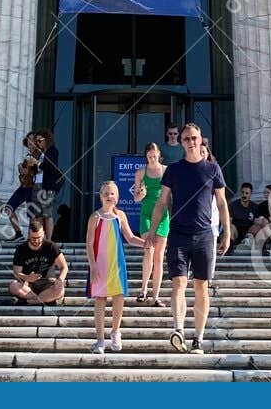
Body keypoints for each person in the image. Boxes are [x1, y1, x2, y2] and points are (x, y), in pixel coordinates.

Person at [148, 122, 230, 353]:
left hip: (205, 235)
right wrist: (152, 232)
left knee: (201, 286)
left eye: (194, 138)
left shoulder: (213, 169)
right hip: (178, 234)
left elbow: (222, 203)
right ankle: (179, 330)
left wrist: (227, 232)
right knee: (178, 283)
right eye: (186, 139)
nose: (191, 142)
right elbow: (162, 202)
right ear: (181, 143)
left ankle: (198, 339)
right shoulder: (173, 170)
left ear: (200, 139)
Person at [86, 181, 143, 353]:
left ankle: (116, 332)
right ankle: (100, 340)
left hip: (117, 263)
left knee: (119, 296)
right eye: (106, 193)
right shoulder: (95, 217)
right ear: (100, 196)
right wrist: (93, 266)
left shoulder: (121, 215)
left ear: (117, 197)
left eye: (112, 194)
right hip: (100, 264)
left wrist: (146, 243)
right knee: (100, 300)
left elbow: (130, 237)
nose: (109, 196)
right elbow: (89, 244)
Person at [131, 142, 170, 305]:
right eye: (149, 156)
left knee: (159, 257)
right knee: (148, 250)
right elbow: (136, 198)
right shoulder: (141, 172)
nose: (152, 159)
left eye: (155, 156)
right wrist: (141, 193)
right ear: (146, 156)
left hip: (162, 215)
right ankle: (143, 290)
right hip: (147, 214)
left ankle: (156, 296)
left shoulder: (166, 170)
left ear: (159, 155)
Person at [8, 218, 67, 306]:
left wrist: (60, 279)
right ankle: (43, 300)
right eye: (33, 238)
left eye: (39, 237)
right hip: (29, 286)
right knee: (13, 286)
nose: (36, 240)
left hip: (48, 283)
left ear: (43, 234)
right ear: (28, 235)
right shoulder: (21, 249)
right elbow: (17, 272)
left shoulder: (51, 247)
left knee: (60, 290)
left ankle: (32, 301)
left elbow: (64, 267)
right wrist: (27, 277)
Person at [226, 182, 257, 252]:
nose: (244, 195)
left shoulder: (255, 207)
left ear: (251, 194)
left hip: (249, 234)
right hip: (236, 232)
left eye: (247, 193)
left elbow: (256, 222)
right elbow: (229, 221)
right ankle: (229, 247)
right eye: (242, 192)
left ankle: (260, 247)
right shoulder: (233, 205)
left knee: (257, 226)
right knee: (231, 226)